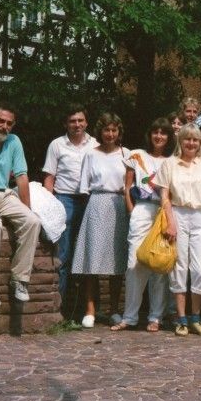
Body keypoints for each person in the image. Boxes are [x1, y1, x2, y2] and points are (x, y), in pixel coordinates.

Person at [154, 123, 201, 336]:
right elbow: (164, 196)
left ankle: (196, 318)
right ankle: (181, 318)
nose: (191, 143)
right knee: (179, 268)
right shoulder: (169, 164)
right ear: (180, 141)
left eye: (195, 140)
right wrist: (170, 222)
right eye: (187, 139)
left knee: (200, 270)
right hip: (178, 214)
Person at [110, 118, 175, 332]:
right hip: (142, 208)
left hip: (164, 211)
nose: (159, 136)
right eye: (155, 132)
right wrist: (132, 210)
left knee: (159, 263)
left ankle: (156, 317)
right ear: (150, 134)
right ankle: (129, 316)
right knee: (133, 264)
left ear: (169, 136)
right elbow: (127, 187)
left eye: (163, 133)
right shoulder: (137, 155)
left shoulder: (174, 159)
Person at [71, 113, 130, 328]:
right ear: (100, 131)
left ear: (119, 132)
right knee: (92, 260)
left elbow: (134, 184)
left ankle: (114, 309)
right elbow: (84, 187)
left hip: (119, 205)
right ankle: (90, 309)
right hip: (96, 203)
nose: (110, 134)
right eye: (106, 130)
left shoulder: (127, 154)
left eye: (114, 130)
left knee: (117, 259)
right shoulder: (91, 155)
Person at [43, 104, 98, 309]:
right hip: (64, 200)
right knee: (63, 255)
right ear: (66, 123)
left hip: (89, 200)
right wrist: (51, 205)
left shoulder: (95, 144)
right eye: (73, 121)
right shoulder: (57, 145)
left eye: (80, 120)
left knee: (88, 255)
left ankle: (88, 309)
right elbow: (49, 177)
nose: (77, 124)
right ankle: (60, 308)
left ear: (86, 122)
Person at [0, 103, 41, 306]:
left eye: (9, 123)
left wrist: (27, 208)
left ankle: (19, 280)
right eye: (0, 121)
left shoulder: (14, 141)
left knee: (32, 221)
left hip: (4, 194)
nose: (4, 126)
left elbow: (22, 176)